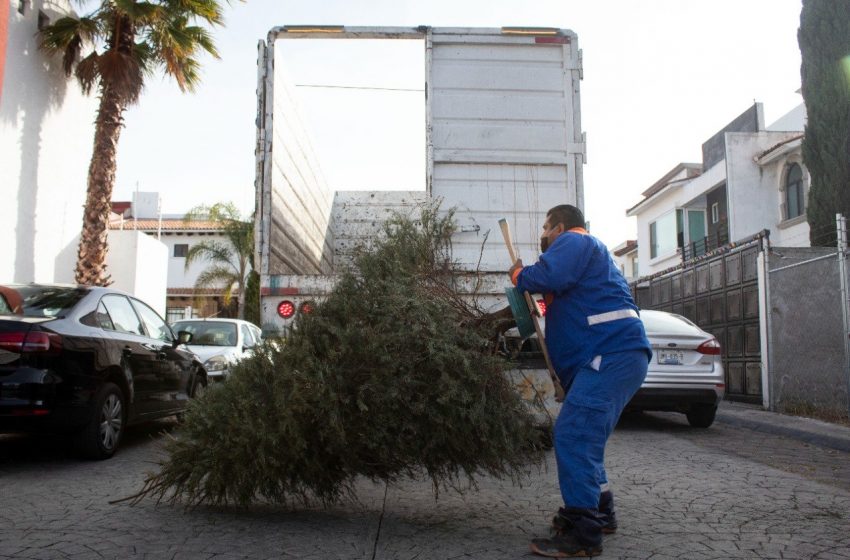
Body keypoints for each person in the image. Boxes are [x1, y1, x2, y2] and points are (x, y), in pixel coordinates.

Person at [508, 204, 651, 558]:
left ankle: (584, 534)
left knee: (572, 436)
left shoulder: (574, 241)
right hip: (612, 357)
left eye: (545, 228)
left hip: (609, 356)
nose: (543, 235)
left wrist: (518, 275)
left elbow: (545, 276)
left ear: (559, 227)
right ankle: (600, 514)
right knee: (585, 442)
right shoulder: (588, 257)